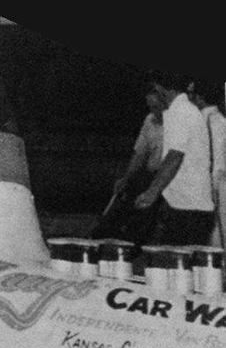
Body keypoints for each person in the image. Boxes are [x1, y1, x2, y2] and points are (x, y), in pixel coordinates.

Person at [134, 70, 214, 246]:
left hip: (187, 208)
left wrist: (151, 192)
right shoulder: (185, 110)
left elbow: (175, 156)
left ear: (160, 89)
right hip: (186, 206)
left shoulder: (180, 112)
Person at [90, 89, 165, 244]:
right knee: (125, 199)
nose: (154, 112)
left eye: (157, 107)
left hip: (167, 178)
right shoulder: (150, 120)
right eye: (150, 107)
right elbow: (140, 153)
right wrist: (126, 178)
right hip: (149, 175)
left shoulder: (176, 123)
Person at [188, 78, 226, 246]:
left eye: (191, 93)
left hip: (209, 184)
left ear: (200, 97)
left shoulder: (200, 121)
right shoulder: (221, 120)